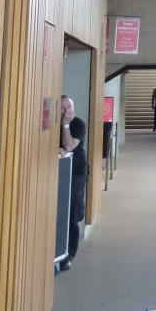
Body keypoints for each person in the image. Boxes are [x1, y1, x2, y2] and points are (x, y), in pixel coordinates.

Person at [59, 95, 88, 270]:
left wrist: (65, 126)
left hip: (76, 174)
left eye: (68, 108)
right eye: (62, 108)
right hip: (57, 174)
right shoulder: (53, 124)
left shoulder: (78, 124)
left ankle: (69, 255)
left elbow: (69, 146)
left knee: (73, 215)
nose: (66, 112)